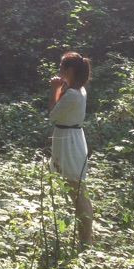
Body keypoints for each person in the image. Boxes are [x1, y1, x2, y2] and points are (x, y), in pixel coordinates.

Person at [48, 50, 94, 248]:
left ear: (70, 70)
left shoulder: (73, 95)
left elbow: (53, 114)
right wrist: (62, 87)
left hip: (69, 142)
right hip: (69, 139)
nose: (59, 70)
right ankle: (85, 238)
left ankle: (86, 240)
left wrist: (55, 89)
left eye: (62, 67)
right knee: (76, 190)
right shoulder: (77, 90)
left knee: (77, 191)